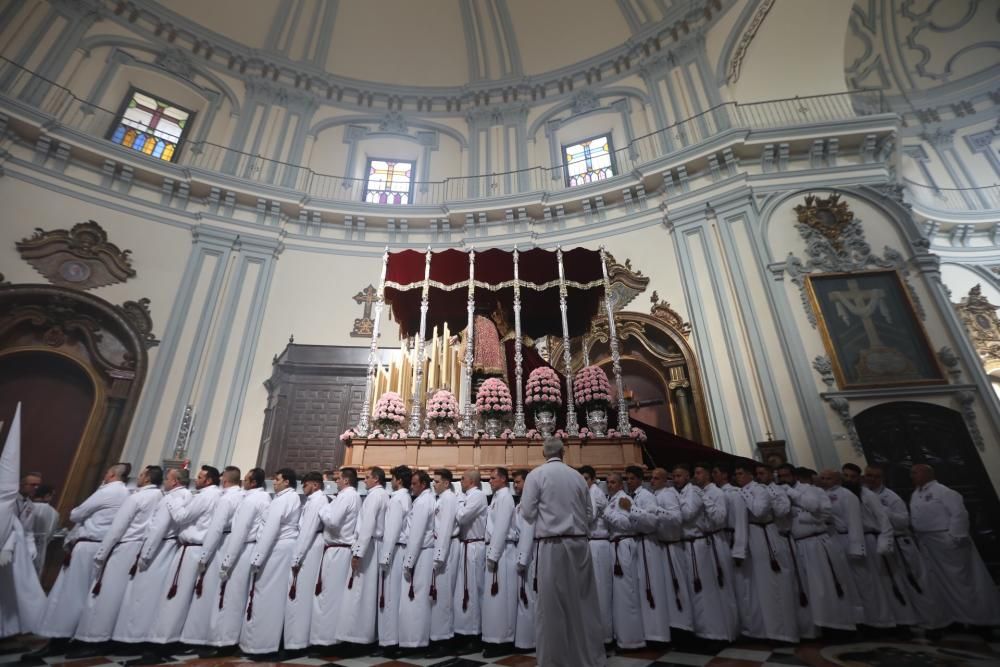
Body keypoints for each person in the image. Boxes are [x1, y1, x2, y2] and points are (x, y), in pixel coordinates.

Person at [519, 437, 605, 667]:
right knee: (583, 601)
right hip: (579, 544)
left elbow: (527, 513)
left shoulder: (536, 475)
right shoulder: (577, 476)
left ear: (543, 453)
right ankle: (589, 658)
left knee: (551, 606)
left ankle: (554, 661)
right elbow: (589, 512)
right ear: (564, 452)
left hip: (552, 545)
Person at [28, 463, 129, 658]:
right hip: (104, 546)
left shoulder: (107, 491)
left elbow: (77, 513)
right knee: (88, 594)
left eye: (107, 472)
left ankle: (59, 638)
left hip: (87, 545)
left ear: (112, 474)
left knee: (69, 593)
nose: (105, 475)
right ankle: (77, 636)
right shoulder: (126, 493)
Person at [70, 465, 163, 657]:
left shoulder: (136, 497)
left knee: (105, 593)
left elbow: (118, 527)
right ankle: (115, 636)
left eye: (142, 474)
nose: (139, 476)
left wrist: (102, 553)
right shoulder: (161, 497)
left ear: (146, 478)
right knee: (125, 597)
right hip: (142, 549)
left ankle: (92, 638)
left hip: (124, 547)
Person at [139, 465, 222, 662]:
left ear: (209, 480)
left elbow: (182, 516)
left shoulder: (204, 496)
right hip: (200, 549)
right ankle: (178, 638)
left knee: (174, 596)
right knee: (188, 597)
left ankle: (162, 641)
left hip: (191, 549)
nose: (196, 479)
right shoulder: (216, 495)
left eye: (201, 476)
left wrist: (172, 501)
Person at [909, 463, 1000, 628]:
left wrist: (954, 537)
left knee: (963, 582)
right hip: (929, 543)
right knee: (942, 584)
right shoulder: (916, 494)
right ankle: (955, 616)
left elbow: (959, 514)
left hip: (948, 542)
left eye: (915, 472)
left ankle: (979, 619)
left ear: (927, 474)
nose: (912, 475)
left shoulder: (943, 491)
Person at [112, 467, 193, 648]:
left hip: (159, 548)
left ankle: (133, 638)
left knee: (142, 594)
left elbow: (157, 528)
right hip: (172, 548)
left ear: (174, 482)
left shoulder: (170, 499)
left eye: (167, 479)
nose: (164, 481)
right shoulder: (188, 496)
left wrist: (145, 555)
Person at [864, 464, 946, 630]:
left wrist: (885, 511)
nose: (871, 479)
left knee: (917, 582)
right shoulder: (864, 495)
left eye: (875, 476)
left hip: (901, 543)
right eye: (868, 475)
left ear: (882, 478)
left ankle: (934, 623)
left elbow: (903, 521)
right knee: (895, 584)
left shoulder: (890, 497)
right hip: (883, 544)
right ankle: (906, 621)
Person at [780, 465, 855, 637]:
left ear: (794, 476)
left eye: (786, 475)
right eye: (781, 476)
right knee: (808, 588)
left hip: (816, 543)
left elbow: (817, 510)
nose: (784, 479)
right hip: (798, 544)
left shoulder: (808, 490)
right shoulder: (782, 491)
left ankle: (837, 626)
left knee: (826, 585)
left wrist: (796, 503)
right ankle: (814, 628)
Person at [204, 468, 269, 656]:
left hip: (242, 550)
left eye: (246, 479)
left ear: (253, 482)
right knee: (240, 596)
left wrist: (227, 561)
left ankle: (224, 642)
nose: (243, 482)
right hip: (251, 548)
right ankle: (231, 638)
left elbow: (240, 531)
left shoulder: (250, 501)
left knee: (230, 596)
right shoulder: (263, 498)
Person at [240, 468, 301, 657]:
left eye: (277, 479)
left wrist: (257, 558)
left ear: (287, 482)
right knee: (272, 594)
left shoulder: (283, 500)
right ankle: (265, 642)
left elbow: (271, 529)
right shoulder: (289, 498)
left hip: (276, 549)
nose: (274, 482)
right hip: (282, 548)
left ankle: (261, 645)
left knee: (265, 594)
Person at [182, 465, 242, 653]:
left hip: (221, 544)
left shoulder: (225, 499)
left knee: (208, 592)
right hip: (233, 543)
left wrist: (204, 555)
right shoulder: (241, 495)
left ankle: (203, 637)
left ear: (224, 480)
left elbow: (216, 528)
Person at [737, 462, 798, 643]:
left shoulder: (760, 490)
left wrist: (744, 493)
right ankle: (765, 629)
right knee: (759, 585)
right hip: (754, 536)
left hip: (767, 536)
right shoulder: (751, 490)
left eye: (742, 473)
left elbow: (759, 510)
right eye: (758, 473)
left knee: (775, 584)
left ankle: (783, 632)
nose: (759, 476)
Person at [0, 409, 45, 639]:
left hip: (16, 552)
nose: (34, 488)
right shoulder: (8, 500)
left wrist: (30, 547)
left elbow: (26, 530)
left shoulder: (29, 505)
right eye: (31, 484)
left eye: (38, 486)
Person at [842, 462, 897, 629]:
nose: (849, 480)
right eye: (846, 476)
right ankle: (865, 619)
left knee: (876, 582)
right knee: (859, 584)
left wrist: (885, 542)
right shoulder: (842, 495)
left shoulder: (868, 495)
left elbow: (882, 519)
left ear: (859, 478)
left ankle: (883, 621)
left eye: (853, 477)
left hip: (869, 540)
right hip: (851, 540)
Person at [689, 463, 739, 642]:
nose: (696, 476)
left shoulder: (717, 493)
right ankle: (711, 631)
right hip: (704, 543)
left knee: (722, 587)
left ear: (709, 475)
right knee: (708, 590)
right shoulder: (699, 493)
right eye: (695, 473)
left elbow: (719, 518)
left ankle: (727, 632)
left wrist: (705, 499)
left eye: (699, 472)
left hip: (717, 541)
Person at [310, 466, 359, 647]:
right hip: (340, 549)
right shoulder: (349, 496)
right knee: (332, 595)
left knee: (329, 596)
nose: (336, 482)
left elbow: (333, 521)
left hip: (338, 550)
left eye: (338, 478)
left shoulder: (347, 496)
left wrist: (323, 509)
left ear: (346, 480)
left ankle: (326, 640)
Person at [340, 466, 389, 646]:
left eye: (367, 477)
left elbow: (367, 525)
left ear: (376, 479)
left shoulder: (375, 496)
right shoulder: (382, 494)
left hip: (368, 547)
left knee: (361, 593)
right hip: (372, 545)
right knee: (365, 592)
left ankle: (358, 637)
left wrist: (358, 553)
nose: (364, 480)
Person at [624, 465, 671, 645]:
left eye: (631, 479)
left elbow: (652, 521)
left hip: (649, 545)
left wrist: (632, 510)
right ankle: (648, 632)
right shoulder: (632, 497)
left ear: (639, 479)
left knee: (652, 587)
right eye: (627, 479)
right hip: (638, 543)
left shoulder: (646, 496)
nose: (629, 482)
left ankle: (658, 634)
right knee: (641, 587)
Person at [283, 471, 328, 652]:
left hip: (309, 548)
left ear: (315, 485)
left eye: (306, 484)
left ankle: (297, 642)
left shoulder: (317, 501)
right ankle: (295, 639)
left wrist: (296, 557)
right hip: (308, 546)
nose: (303, 487)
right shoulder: (313, 500)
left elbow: (308, 530)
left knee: (300, 594)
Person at [816, 469, 865, 627]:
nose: (824, 480)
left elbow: (854, 522)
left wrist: (856, 547)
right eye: (822, 477)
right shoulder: (820, 494)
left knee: (858, 581)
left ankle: (862, 618)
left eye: (828, 478)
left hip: (846, 538)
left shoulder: (846, 495)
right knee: (842, 580)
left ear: (838, 480)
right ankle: (848, 617)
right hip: (831, 539)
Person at [603, 472, 645, 650]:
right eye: (608, 482)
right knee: (618, 595)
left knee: (627, 592)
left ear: (620, 484)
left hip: (624, 545)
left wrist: (607, 515)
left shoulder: (623, 499)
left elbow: (628, 524)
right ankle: (621, 636)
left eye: (613, 482)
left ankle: (632, 640)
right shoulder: (612, 500)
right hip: (615, 546)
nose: (610, 485)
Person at [482, 467, 518, 657]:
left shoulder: (505, 497)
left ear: (503, 479)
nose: (489, 481)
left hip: (502, 550)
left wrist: (494, 554)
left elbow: (502, 527)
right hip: (495, 549)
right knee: (493, 600)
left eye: (493, 478)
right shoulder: (497, 497)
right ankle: (493, 637)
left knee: (502, 598)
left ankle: (503, 640)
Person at [398, 470, 436, 650]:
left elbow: (417, 533)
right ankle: (414, 639)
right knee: (416, 597)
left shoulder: (422, 502)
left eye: (414, 484)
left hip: (420, 553)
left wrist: (408, 561)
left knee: (416, 598)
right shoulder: (424, 500)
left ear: (423, 484)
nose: (411, 487)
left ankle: (415, 641)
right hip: (421, 552)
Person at [377, 465, 412, 658]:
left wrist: (385, 556)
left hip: (396, 549)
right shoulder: (403, 497)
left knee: (390, 596)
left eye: (393, 478)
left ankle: (390, 642)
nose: (391, 481)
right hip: (397, 549)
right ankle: (391, 639)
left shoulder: (399, 498)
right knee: (392, 596)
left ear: (398, 479)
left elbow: (392, 530)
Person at [453, 468, 488, 651]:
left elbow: (462, 517)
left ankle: (475, 635)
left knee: (473, 591)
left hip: (474, 547)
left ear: (472, 481)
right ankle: (464, 631)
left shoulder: (477, 496)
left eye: (463, 478)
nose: (460, 481)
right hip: (466, 546)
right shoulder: (470, 495)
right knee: (464, 591)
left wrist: (458, 499)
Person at [427, 468, 459, 657]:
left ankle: (444, 640)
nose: (434, 484)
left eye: (437, 481)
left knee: (444, 593)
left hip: (446, 547)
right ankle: (439, 636)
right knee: (439, 593)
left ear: (446, 483)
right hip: (442, 545)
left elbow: (446, 527)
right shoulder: (442, 498)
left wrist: (439, 555)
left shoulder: (448, 498)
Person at [580, 465, 613, 645]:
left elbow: (590, 516)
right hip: (594, 543)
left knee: (600, 591)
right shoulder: (592, 492)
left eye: (586, 478)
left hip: (598, 544)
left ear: (593, 479)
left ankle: (604, 637)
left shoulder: (593, 492)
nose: (584, 482)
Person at [512, 469, 536, 652]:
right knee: (524, 593)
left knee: (530, 593)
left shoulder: (530, 503)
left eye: (518, 482)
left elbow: (528, 529)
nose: (515, 485)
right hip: (522, 549)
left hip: (530, 552)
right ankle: (525, 638)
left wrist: (522, 557)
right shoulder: (520, 504)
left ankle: (531, 639)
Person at [30, 484, 60, 574]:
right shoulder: (55, 513)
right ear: (47, 495)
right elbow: (50, 534)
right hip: (41, 548)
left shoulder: (28, 506)